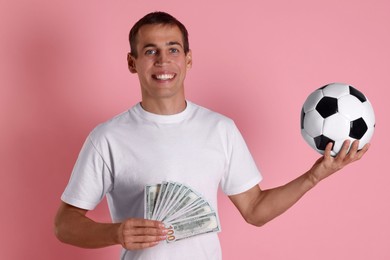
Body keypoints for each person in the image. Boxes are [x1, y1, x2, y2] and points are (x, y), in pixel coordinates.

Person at [54, 11, 369, 260]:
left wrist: (314, 177)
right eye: (150, 51)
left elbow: (255, 211)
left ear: (188, 60)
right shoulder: (107, 137)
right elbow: (64, 224)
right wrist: (115, 233)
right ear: (132, 62)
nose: (163, 61)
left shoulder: (220, 129)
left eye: (173, 50)